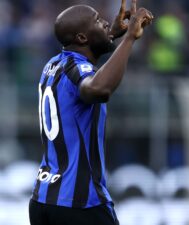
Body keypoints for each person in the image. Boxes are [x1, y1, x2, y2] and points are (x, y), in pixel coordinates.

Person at [28, 0, 153, 225]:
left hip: (42, 200)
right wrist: (130, 38)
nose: (106, 22)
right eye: (98, 21)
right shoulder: (77, 69)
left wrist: (111, 34)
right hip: (81, 202)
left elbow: (82, 63)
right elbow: (98, 89)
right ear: (82, 38)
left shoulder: (52, 65)